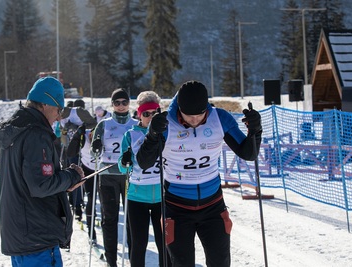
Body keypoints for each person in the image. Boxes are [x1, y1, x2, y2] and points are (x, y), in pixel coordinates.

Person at [136, 80, 262, 267]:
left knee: (220, 263)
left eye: (200, 114)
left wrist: (255, 130)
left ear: (207, 108)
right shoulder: (166, 123)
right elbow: (144, 162)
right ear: (180, 110)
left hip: (213, 206)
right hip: (177, 207)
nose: (195, 120)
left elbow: (248, 153)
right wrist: (153, 135)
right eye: (189, 116)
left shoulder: (219, 118)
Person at [0, 76, 85, 267]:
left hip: (21, 235)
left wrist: (64, 185)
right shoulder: (36, 134)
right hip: (37, 236)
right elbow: (40, 185)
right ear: (45, 104)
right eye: (59, 109)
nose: (59, 116)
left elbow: (28, 182)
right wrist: (71, 176)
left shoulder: (16, 129)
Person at [118, 91, 170, 267]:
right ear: (139, 114)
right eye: (146, 114)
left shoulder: (166, 132)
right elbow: (121, 166)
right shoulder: (130, 135)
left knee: (164, 244)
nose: (150, 117)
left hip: (161, 197)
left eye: (154, 113)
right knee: (139, 244)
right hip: (137, 197)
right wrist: (124, 161)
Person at [91, 88, 138, 267]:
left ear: (129, 104)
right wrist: (95, 146)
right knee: (109, 219)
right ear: (112, 105)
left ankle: (134, 259)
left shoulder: (135, 123)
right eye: (117, 102)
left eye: (124, 102)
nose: (120, 106)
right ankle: (111, 261)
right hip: (108, 175)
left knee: (131, 219)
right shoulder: (103, 124)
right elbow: (93, 151)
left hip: (129, 176)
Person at [61, 99, 97, 222]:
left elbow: (94, 124)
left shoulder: (79, 112)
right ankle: (76, 206)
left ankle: (82, 205)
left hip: (81, 150)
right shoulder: (60, 115)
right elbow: (60, 133)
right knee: (73, 177)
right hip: (69, 150)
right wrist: (65, 130)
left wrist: (78, 128)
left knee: (80, 177)